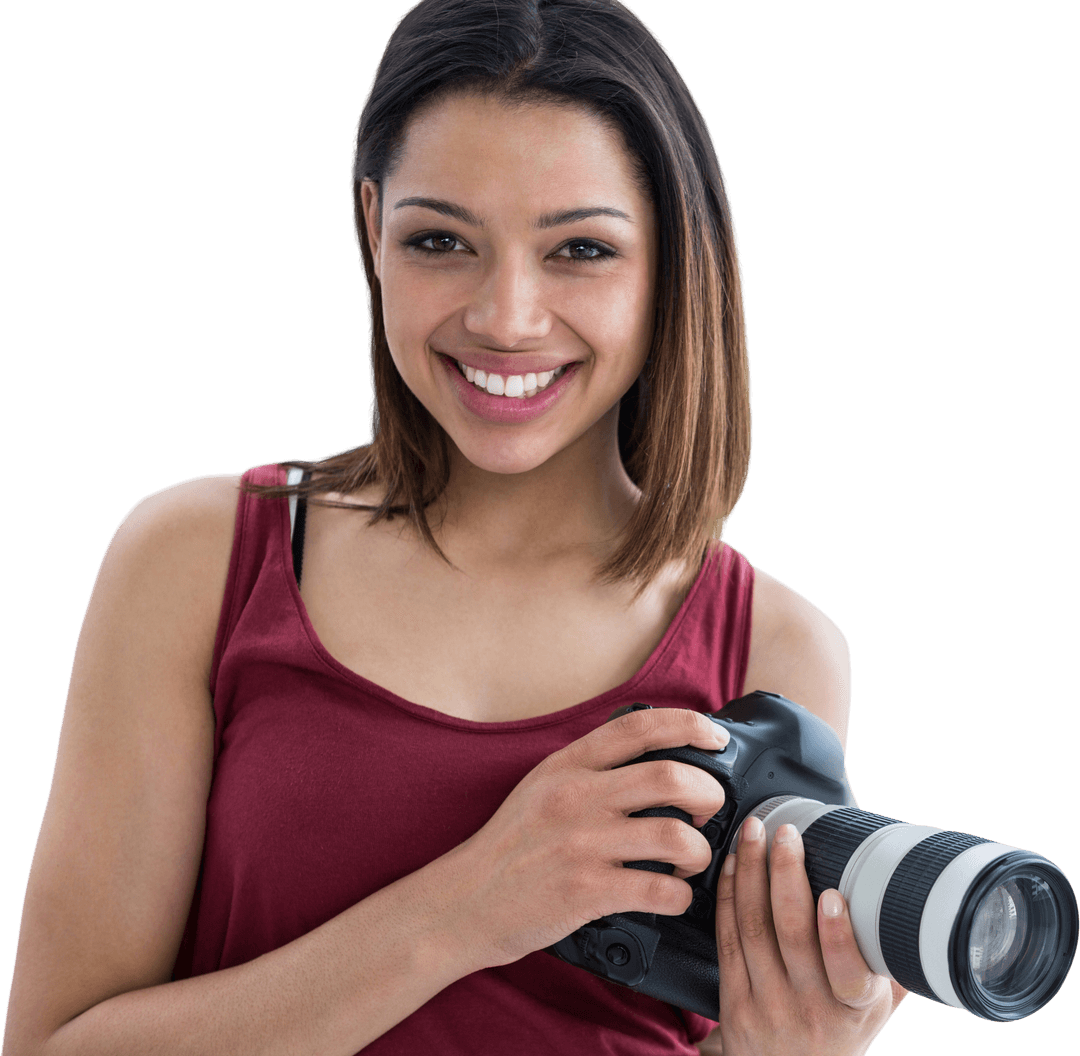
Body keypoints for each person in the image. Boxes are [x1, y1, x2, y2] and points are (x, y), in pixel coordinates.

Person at [3, 1, 906, 1053]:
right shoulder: (199, 560)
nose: (506, 318)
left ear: (670, 263)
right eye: (440, 240)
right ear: (368, 227)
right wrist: (469, 906)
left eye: (579, 249)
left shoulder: (778, 651)